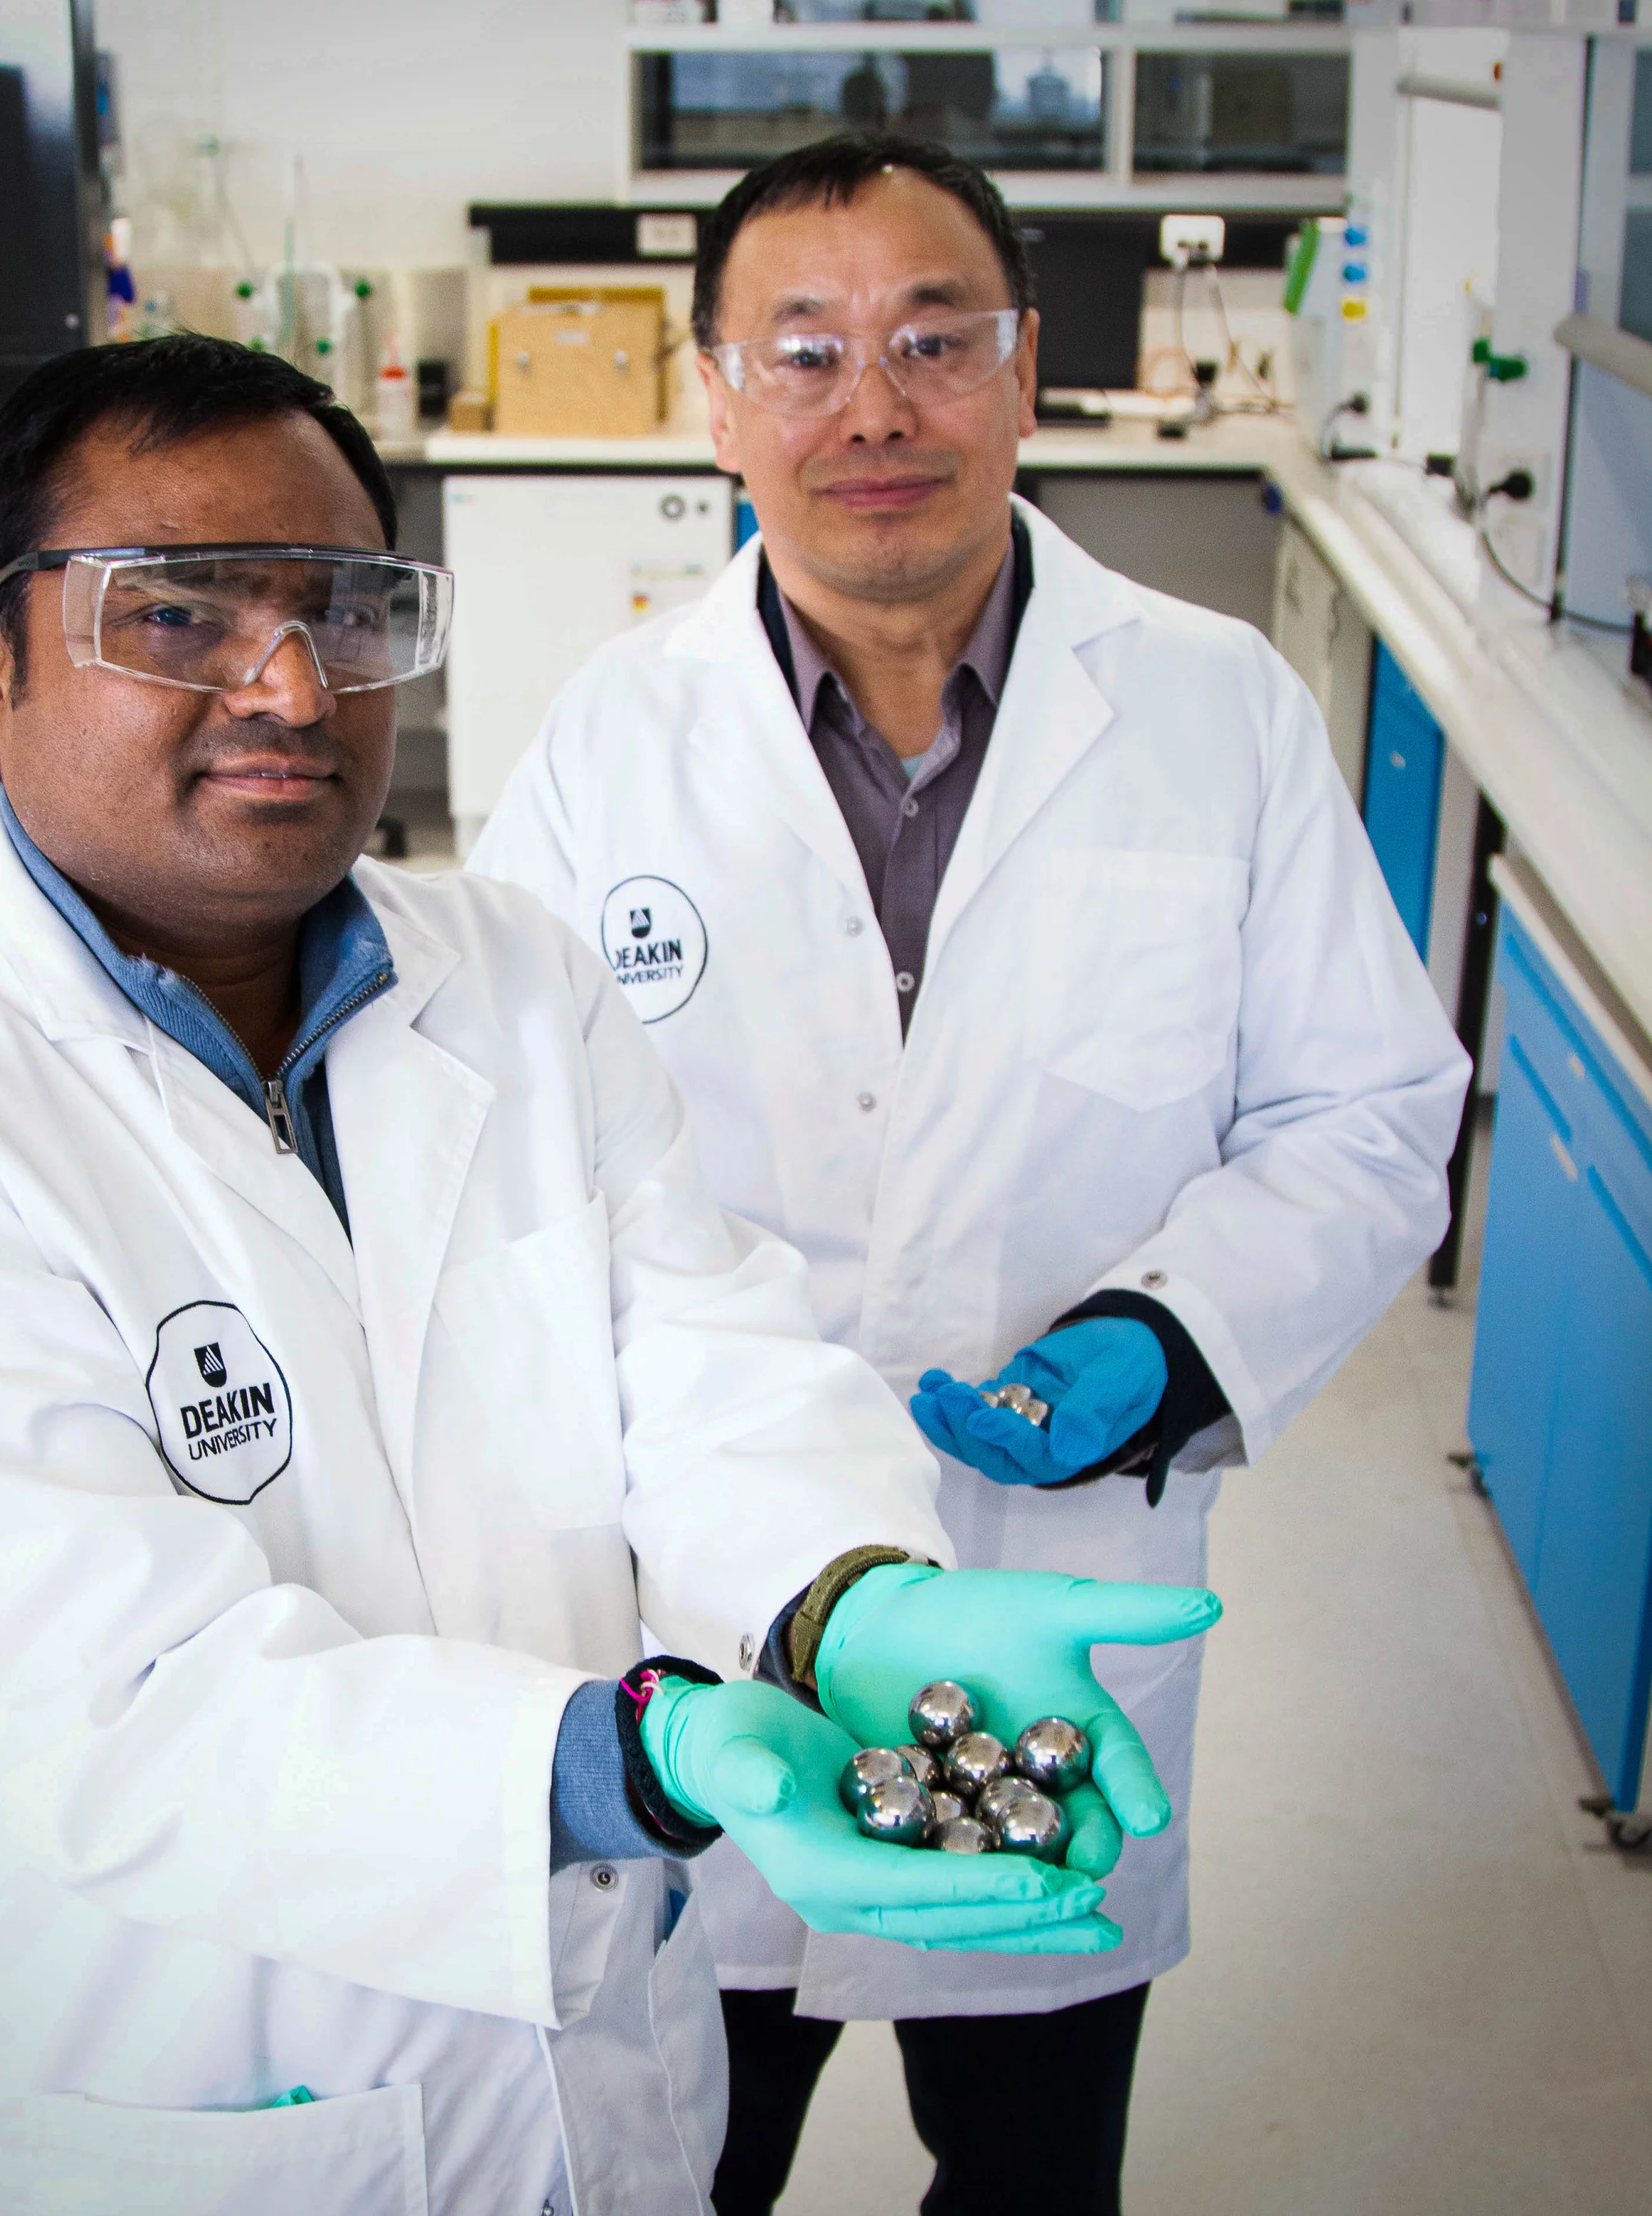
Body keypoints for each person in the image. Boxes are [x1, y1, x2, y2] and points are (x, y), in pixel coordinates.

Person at [0, 335, 1220, 2216]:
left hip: (598, 2056)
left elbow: (708, 1361)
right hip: (196, 2105)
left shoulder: (512, 975)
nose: (288, 686)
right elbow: (102, 1700)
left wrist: (846, 1601)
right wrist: (619, 1756)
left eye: (342, 613)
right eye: (175, 617)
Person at [470, 135, 1470, 2215]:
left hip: (1050, 1588)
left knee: (1027, 2169)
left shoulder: (1215, 713)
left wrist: (1164, 1338)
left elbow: (1366, 1110)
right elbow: (507, 1169)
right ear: (719, 398)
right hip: (718, 1617)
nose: (875, 407)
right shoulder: (608, 743)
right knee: (680, 2153)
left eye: (934, 342)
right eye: (806, 351)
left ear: (1026, 371)